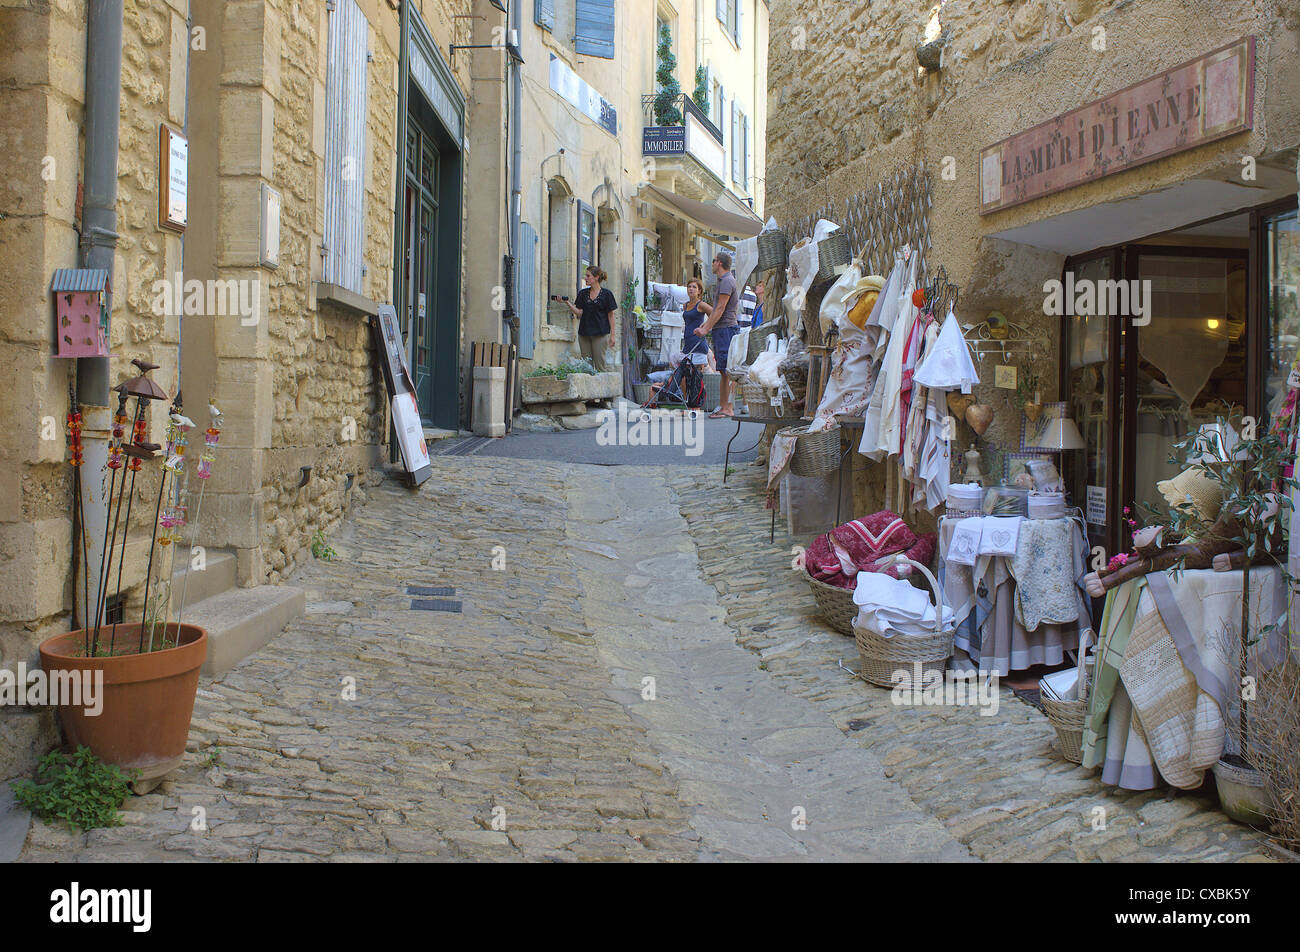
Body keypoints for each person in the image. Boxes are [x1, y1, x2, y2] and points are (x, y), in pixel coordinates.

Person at [696, 250, 739, 418]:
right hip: (722, 329)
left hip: (726, 329)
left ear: (719, 263)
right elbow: (716, 310)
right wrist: (706, 324)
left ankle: (728, 408)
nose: (712, 263)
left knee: (727, 371)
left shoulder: (727, 281)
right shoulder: (723, 281)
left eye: (713, 261)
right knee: (723, 371)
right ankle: (724, 407)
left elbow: (720, 308)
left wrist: (706, 329)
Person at [563, 266, 616, 372]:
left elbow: (611, 315)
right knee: (586, 367)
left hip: (600, 335)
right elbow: (579, 312)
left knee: (600, 366)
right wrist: (567, 302)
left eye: (588, 276)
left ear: (596, 277)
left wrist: (612, 336)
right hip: (584, 334)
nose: (585, 278)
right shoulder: (582, 294)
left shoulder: (607, 294)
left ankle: (602, 388)